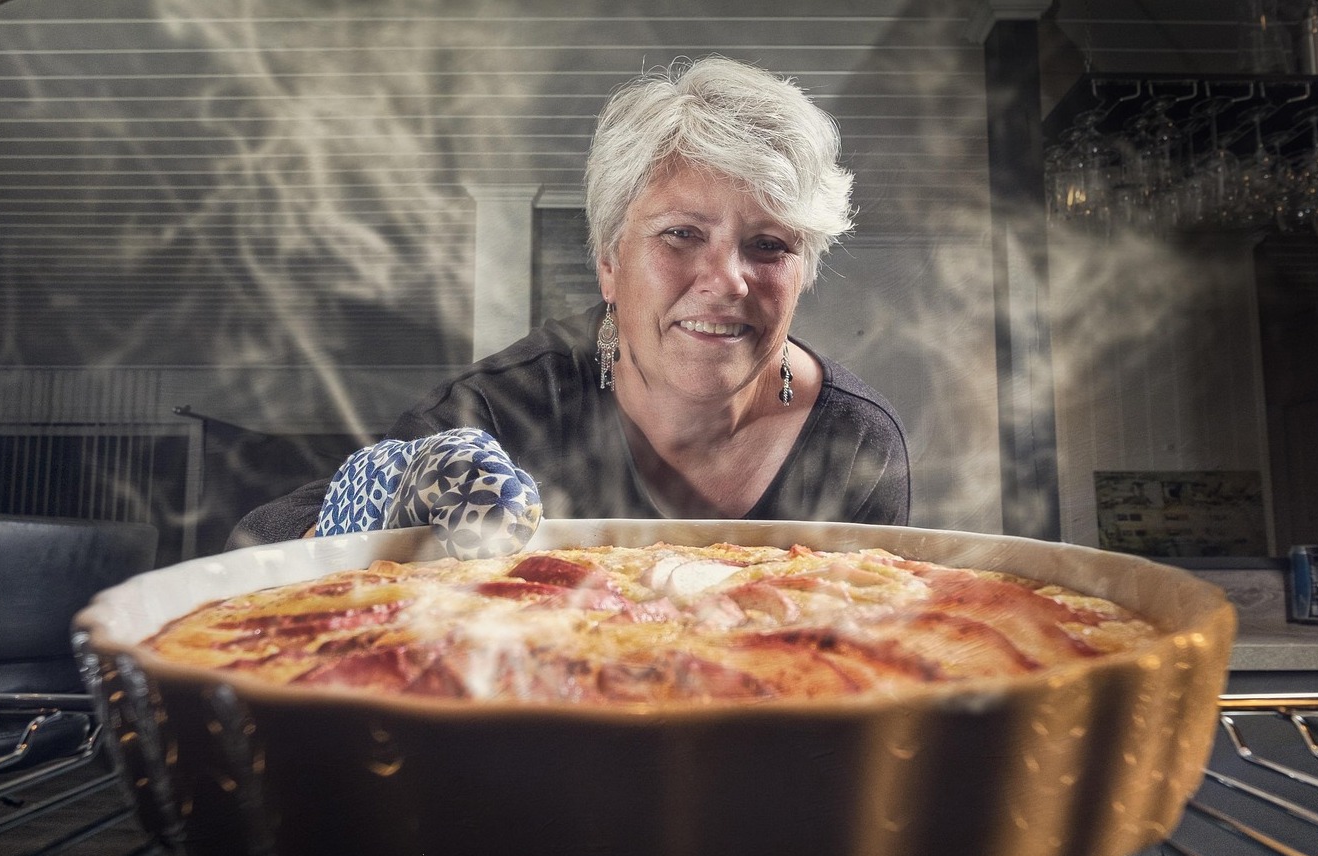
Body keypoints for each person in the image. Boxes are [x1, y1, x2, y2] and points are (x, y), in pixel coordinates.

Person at [232, 55, 910, 548]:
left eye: (768, 245)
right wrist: (367, 519)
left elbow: (873, 673)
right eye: (681, 234)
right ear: (610, 263)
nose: (728, 279)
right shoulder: (506, 409)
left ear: (805, 272)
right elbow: (256, 555)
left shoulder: (858, 444)